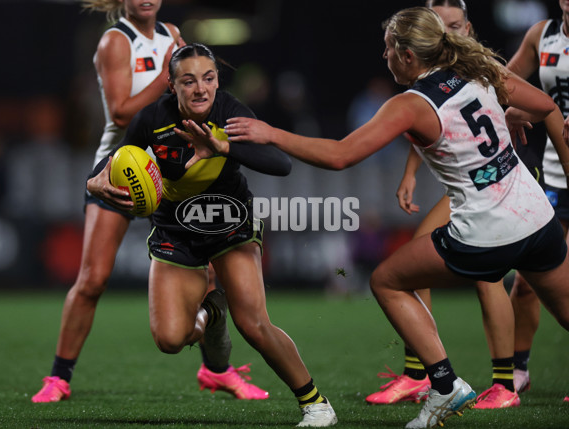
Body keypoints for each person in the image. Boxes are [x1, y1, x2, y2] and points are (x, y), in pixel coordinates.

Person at [221, 7, 569, 427]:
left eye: (387, 49)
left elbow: (340, 155)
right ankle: (458, 382)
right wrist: (512, 115)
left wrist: (271, 133)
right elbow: (547, 105)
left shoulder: (411, 103)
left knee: (386, 281)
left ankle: (444, 384)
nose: (383, 57)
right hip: (538, 218)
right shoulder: (481, 69)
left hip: (487, 233)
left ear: (407, 55)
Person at [86, 43, 337, 427]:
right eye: (188, 81)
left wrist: (225, 146)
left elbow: (281, 163)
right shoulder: (152, 118)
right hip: (175, 227)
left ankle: (315, 403)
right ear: (172, 86)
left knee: (253, 324)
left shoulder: (230, 112)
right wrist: (95, 180)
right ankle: (213, 310)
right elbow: (120, 155)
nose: (200, 89)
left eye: (208, 78)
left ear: (218, 81)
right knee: (170, 339)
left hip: (229, 220)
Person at [32, 0, 267, 403]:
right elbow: (122, 114)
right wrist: (167, 79)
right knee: (92, 278)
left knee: (208, 276)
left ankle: (217, 370)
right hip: (126, 168)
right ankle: (59, 378)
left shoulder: (172, 34)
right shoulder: (115, 42)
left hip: (179, 166)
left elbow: (196, 93)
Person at [366, 0, 569, 410]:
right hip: (485, 182)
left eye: (453, 24)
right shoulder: (525, 43)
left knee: (491, 270)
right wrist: (410, 171)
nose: (444, 32)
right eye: (437, 24)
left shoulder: (469, 64)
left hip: (505, 182)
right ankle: (424, 375)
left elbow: (524, 103)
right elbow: (433, 123)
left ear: (468, 27)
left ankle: (502, 381)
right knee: (431, 258)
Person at [504, 0, 569, 397]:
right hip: (554, 173)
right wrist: (510, 109)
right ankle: (518, 370)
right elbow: (504, 82)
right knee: (526, 281)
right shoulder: (542, 36)